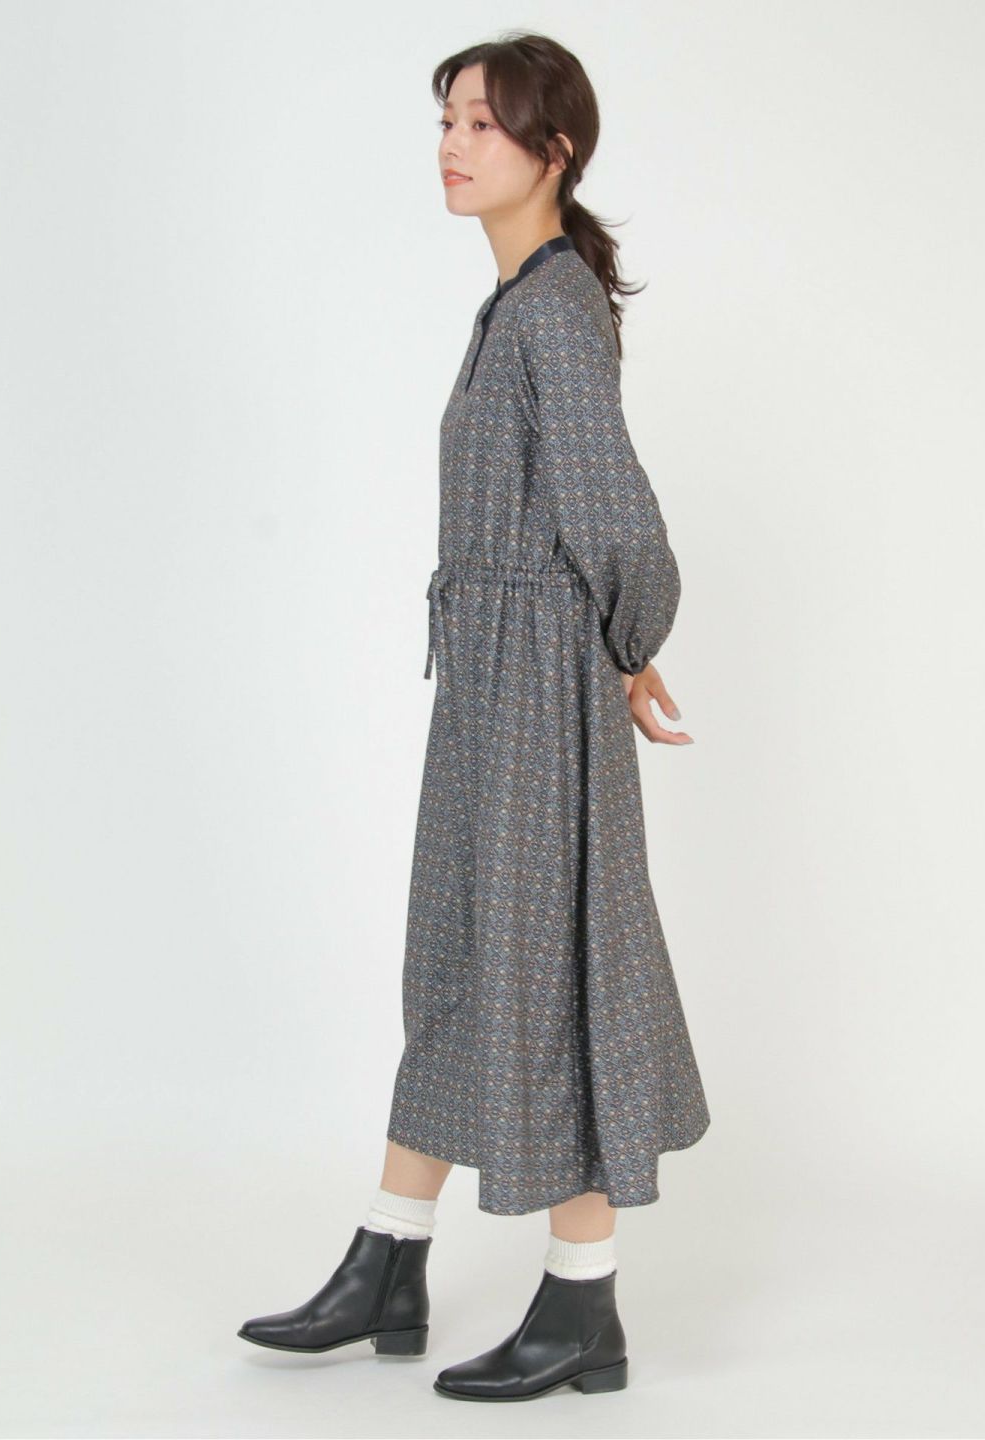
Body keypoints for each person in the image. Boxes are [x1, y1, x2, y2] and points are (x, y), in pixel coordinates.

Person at [238, 31, 711, 1401]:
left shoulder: (553, 308)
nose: (452, 145)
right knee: (458, 954)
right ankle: (388, 1255)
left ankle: (583, 1301)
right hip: (498, 677)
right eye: (446, 120)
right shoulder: (516, 303)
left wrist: (627, 645)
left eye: (482, 125)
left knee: (542, 969)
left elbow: (618, 517)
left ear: (554, 153)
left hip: (539, 684)